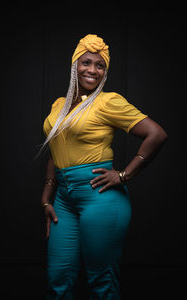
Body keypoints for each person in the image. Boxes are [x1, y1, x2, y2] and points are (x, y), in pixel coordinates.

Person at [40, 34, 168, 299]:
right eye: (86, 62)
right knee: (59, 276)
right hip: (64, 199)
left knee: (102, 279)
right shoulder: (59, 106)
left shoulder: (107, 102)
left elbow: (156, 134)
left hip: (99, 196)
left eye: (100, 66)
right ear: (74, 65)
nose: (92, 70)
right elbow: (55, 149)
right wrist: (46, 196)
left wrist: (124, 175)